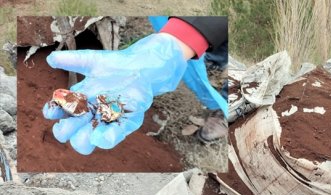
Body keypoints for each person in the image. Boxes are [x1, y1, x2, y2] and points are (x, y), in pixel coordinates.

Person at [42, 17, 227, 155]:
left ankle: (226, 100)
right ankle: (211, 51)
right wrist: (183, 39)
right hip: (204, 26)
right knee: (216, 44)